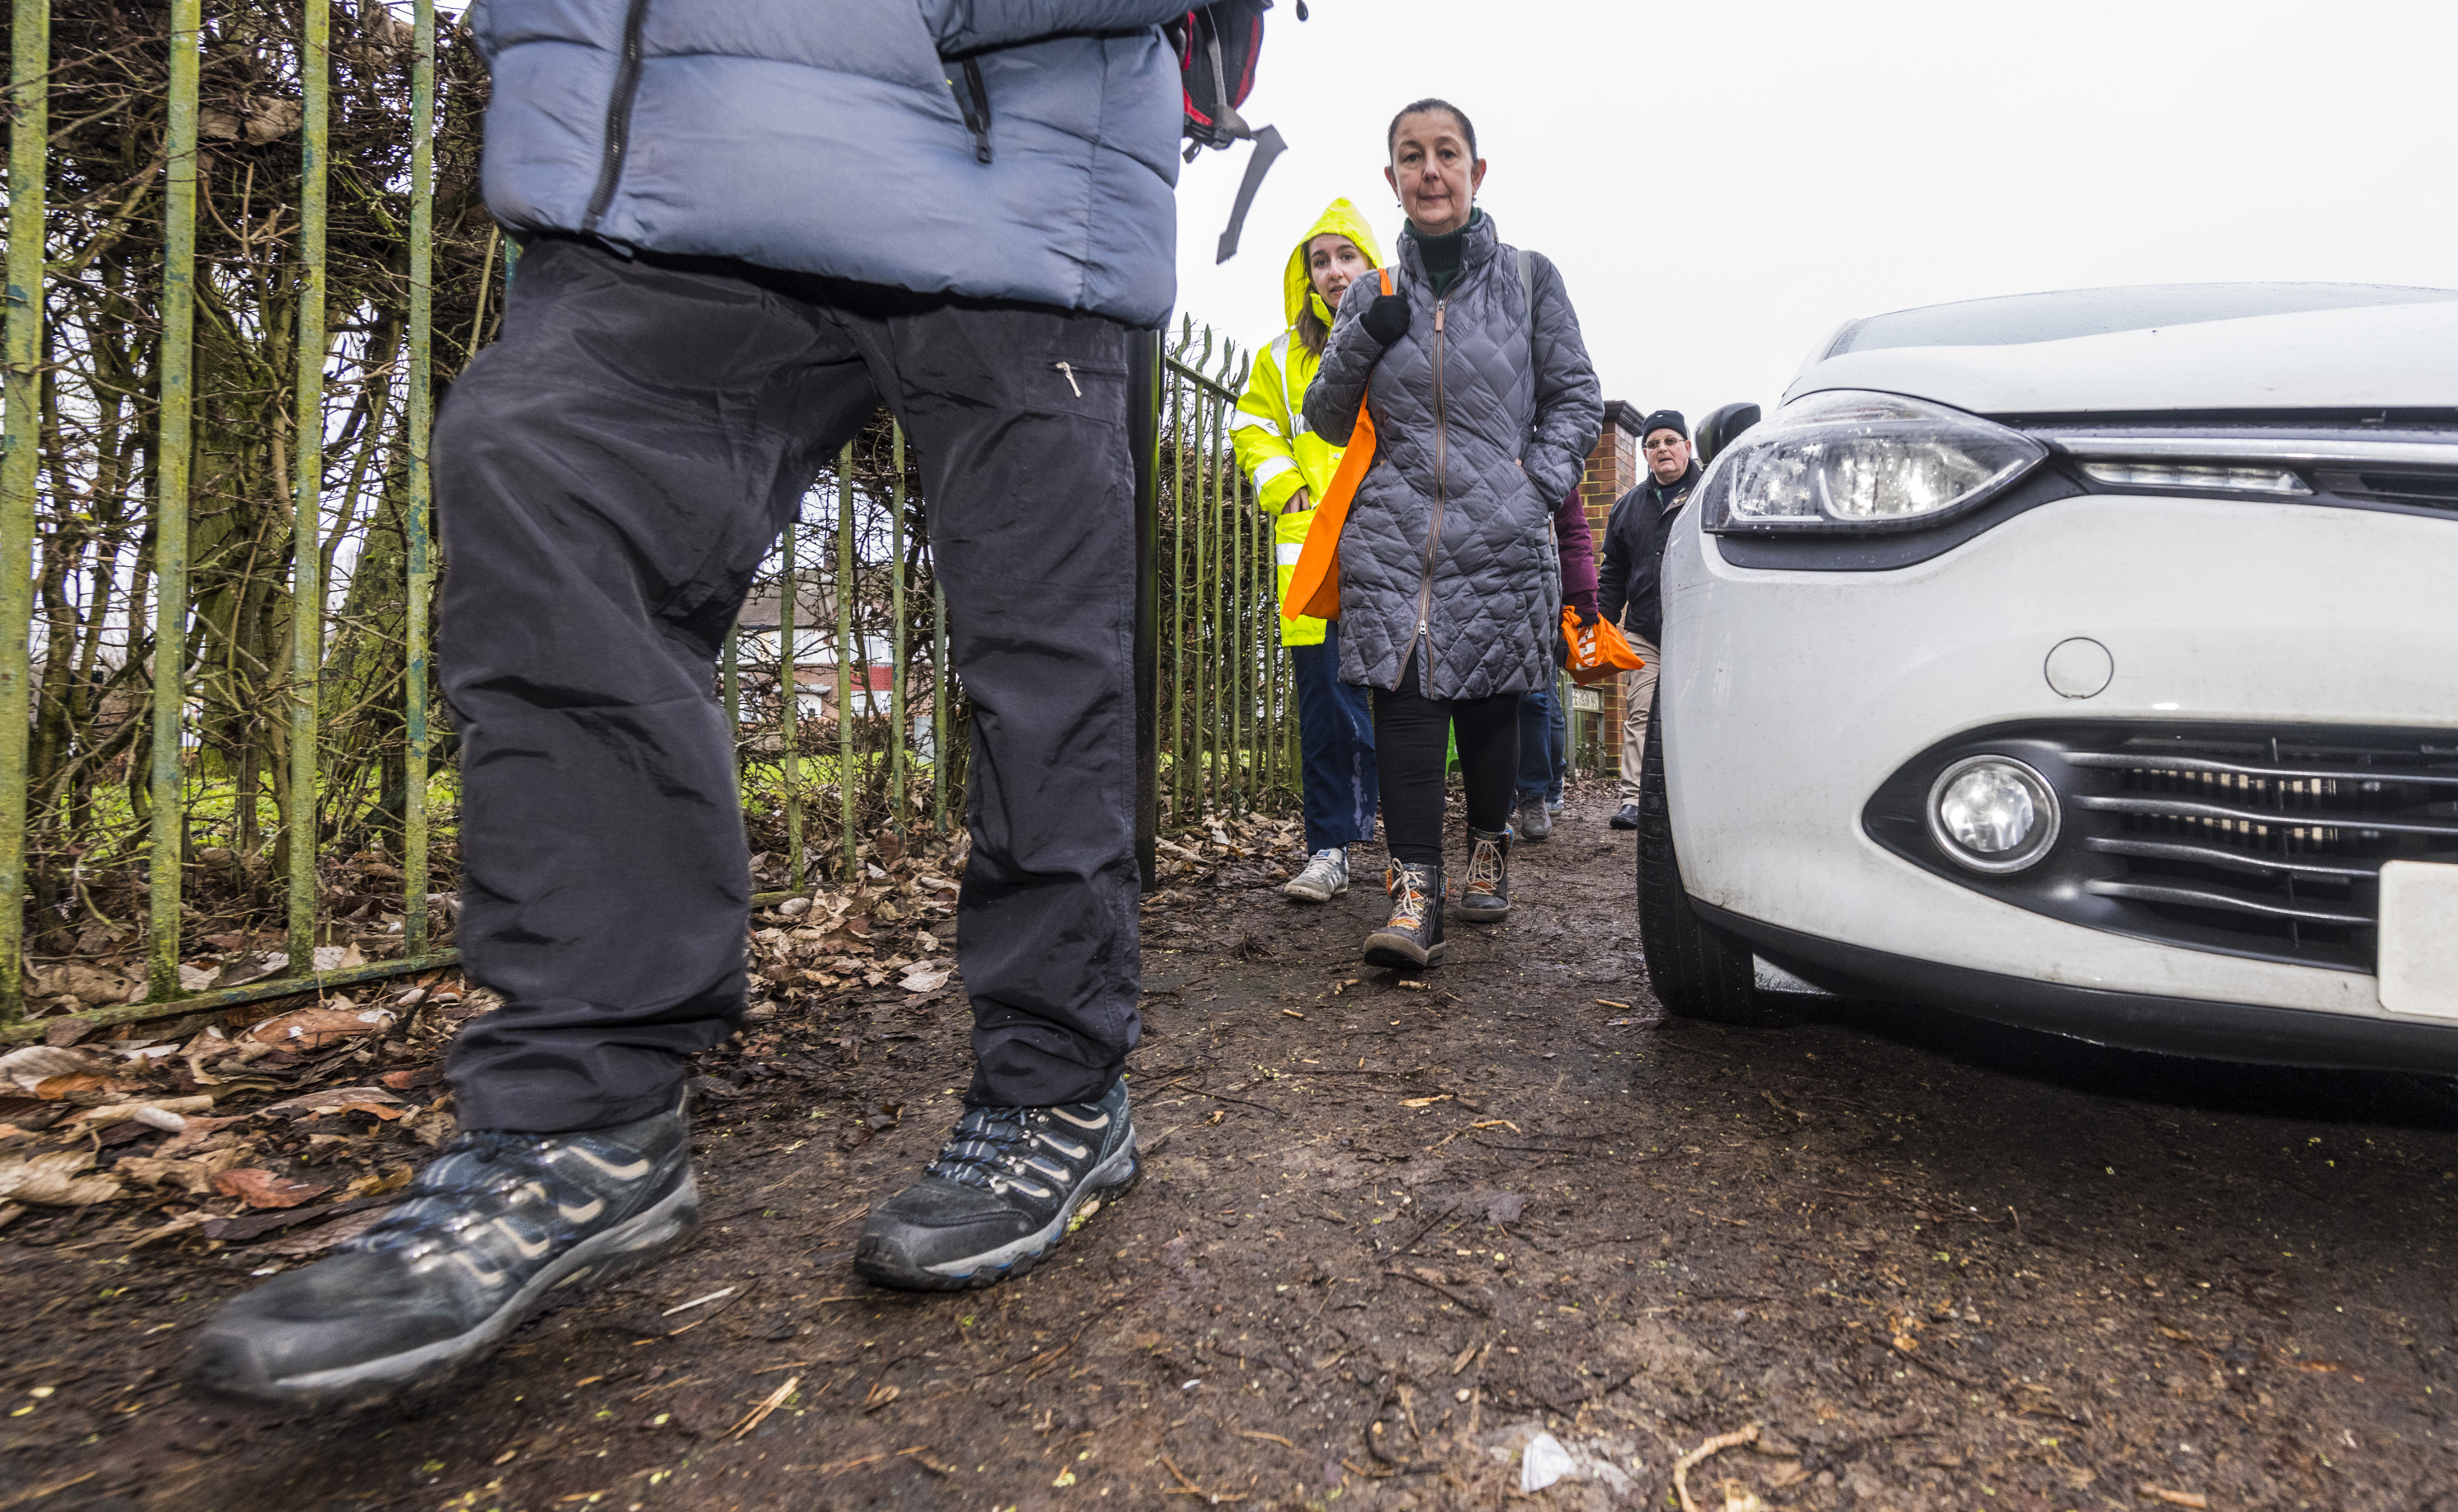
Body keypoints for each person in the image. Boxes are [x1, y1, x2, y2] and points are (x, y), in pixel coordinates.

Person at [188, 0, 1198, 1410]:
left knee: (1042, 666)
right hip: (672, 178)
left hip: (1016, 179)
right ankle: (580, 1116)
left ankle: (1056, 1088)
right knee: (538, 472)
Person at [1303, 98, 1602, 968]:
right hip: (1395, 532)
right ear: (1390, 179)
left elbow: (1576, 396)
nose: (1428, 171)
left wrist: (1531, 485)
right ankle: (1412, 899)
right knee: (1402, 705)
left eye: (1445, 154)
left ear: (1476, 172)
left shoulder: (1528, 279)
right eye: (1410, 156)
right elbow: (1326, 418)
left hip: (1498, 529)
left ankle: (1487, 844)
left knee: (1486, 701)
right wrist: (1360, 336)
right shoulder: (1370, 292)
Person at [1233, 202, 1386, 903]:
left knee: (1404, 707)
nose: (1332, 272)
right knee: (1326, 707)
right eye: (1319, 260)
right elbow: (1251, 425)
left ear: (1370, 263)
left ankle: (1416, 852)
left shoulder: (1402, 339)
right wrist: (1286, 486)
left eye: (1344, 257)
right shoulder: (1276, 358)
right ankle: (1330, 846)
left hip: (1392, 551)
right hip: (1312, 560)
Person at [1600, 409, 1699, 830]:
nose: (1663, 449)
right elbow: (1613, 573)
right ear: (1645, 454)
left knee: (1699, 712)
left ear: (1687, 447)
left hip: (1701, 628)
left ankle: (1697, 797)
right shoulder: (1627, 508)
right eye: (1654, 444)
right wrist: (1600, 621)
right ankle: (1633, 801)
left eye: (1670, 441)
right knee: (1641, 713)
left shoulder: (1708, 493)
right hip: (1644, 630)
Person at [1516, 490, 1597, 842]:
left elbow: (1574, 534)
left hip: (1538, 596)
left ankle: (1539, 791)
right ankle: (1502, 797)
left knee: (1537, 697)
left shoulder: (1550, 463)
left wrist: (1582, 600)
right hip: (1481, 589)